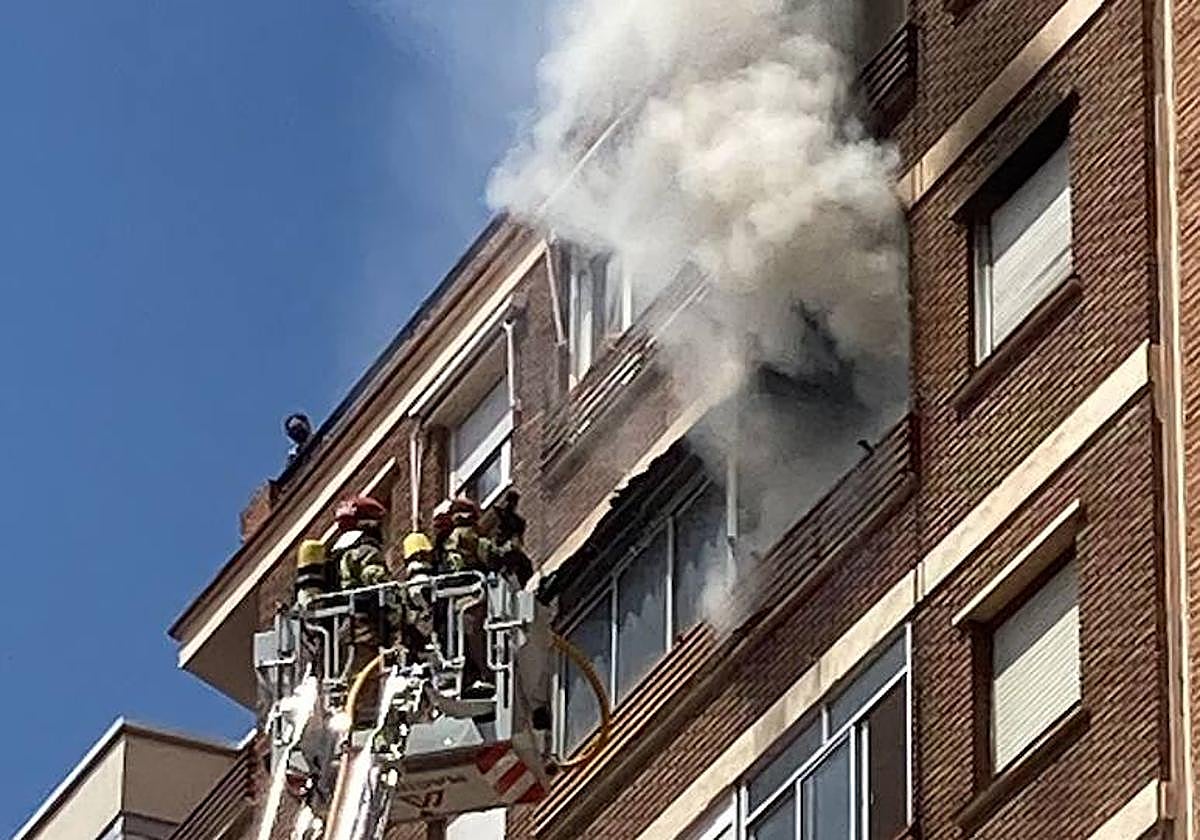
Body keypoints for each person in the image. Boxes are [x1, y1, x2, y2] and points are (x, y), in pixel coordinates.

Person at [329, 495, 389, 727]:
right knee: (365, 669)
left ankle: (347, 710)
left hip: (341, 628)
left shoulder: (335, 554)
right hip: (362, 623)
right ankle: (363, 715)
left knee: (348, 670)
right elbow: (375, 580)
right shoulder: (365, 550)